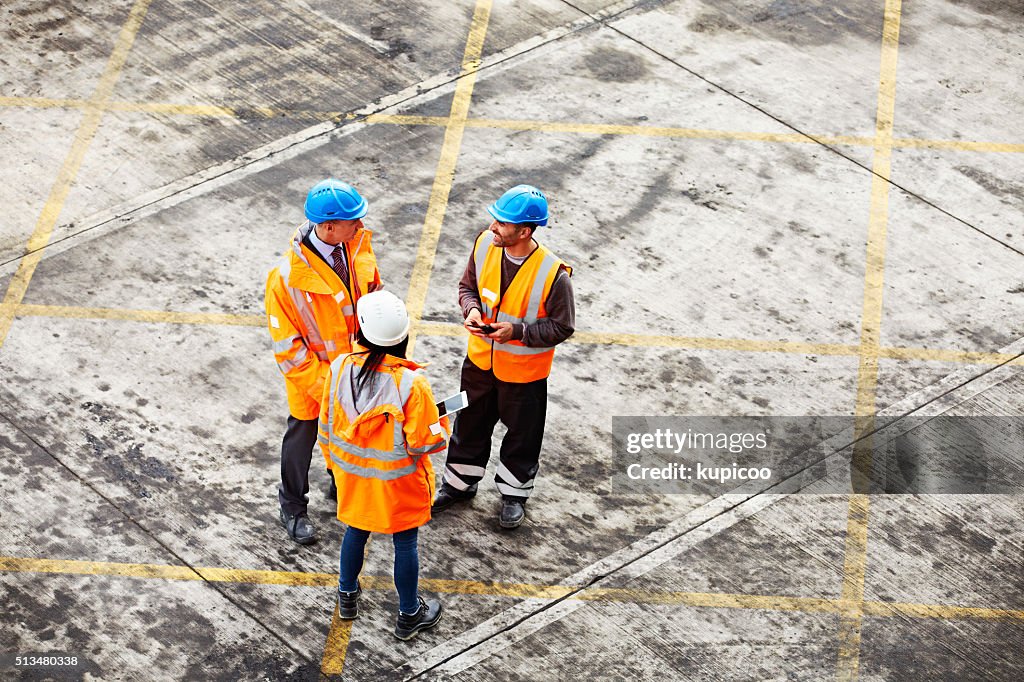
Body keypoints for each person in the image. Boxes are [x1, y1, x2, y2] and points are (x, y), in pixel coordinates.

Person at [432, 184, 575, 529]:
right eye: (495, 219)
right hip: (479, 363)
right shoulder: (484, 244)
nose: (493, 226)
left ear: (524, 231)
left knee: (522, 436)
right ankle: (459, 485)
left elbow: (562, 327)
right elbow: (467, 287)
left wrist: (519, 333)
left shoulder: (553, 275)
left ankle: (514, 495)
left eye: (502, 223)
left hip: (524, 375)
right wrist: (471, 311)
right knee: (468, 423)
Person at [319, 290, 448, 640]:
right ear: (402, 337)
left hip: (352, 477)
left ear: (360, 333)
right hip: (397, 484)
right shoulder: (411, 383)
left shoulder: (340, 367)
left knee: (355, 532)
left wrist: (335, 466)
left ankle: (347, 596)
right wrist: (441, 421)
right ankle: (409, 614)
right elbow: (426, 442)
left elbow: (326, 423)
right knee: (405, 545)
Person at [265, 178, 383, 545]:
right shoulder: (285, 280)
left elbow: (374, 298)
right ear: (329, 226)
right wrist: (329, 388)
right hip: (314, 381)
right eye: (353, 220)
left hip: (355, 373)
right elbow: (289, 350)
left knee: (348, 436)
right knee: (301, 438)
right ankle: (292, 506)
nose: (360, 225)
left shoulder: (357, 248)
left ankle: (339, 482)